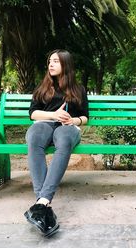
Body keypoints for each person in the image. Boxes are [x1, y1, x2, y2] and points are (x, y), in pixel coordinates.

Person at [24, 49, 89, 237]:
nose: (51, 64)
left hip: (68, 127)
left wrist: (73, 121)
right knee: (34, 137)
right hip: (44, 123)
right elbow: (33, 114)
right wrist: (53, 114)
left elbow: (85, 116)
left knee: (64, 139)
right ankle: (43, 203)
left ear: (65, 65)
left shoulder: (78, 89)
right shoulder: (43, 87)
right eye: (50, 61)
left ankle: (40, 204)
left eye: (56, 61)